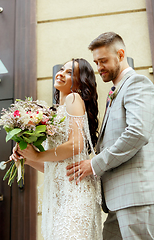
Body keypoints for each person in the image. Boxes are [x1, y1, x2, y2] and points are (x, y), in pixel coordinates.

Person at [66, 32, 154, 239]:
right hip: (116, 199)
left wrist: (94, 164)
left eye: (103, 61)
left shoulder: (136, 83)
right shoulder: (116, 91)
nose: (99, 68)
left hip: (135, 197)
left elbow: (137, 133)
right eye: (96, 62)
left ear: (121, 54)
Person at [11, 58, 102, 240]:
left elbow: (76, 145)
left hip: (76, 196)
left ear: (79, 83)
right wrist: (29, 159)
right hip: (61, 197)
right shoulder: (54, 113)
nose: (61, 73)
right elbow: (56, 168)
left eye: (70, 73)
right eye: (62, 69)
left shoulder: (73, 98)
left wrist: (38, 154)